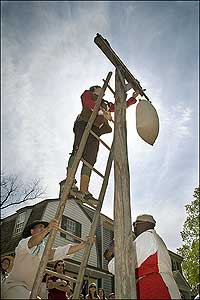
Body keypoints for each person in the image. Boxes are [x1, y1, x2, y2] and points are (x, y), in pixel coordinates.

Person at [66, 85, 139, 203]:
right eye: (100, 89)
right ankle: (69, 180)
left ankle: (84, 190)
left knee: (90, 160)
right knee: (78, 151)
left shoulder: (106, 103)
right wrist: (103, 112)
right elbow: (89, 103)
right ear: (94, 89)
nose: (103, 91)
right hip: (84, 124)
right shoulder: (88, 94)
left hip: (95, 131)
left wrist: (132, 98)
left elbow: (120, 107)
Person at [1, 219, 96, 299]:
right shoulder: (23, 243)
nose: (43, 228)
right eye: (40, 227)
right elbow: (31, 242)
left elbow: (61, 251)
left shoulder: (43, 249)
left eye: (44, 227)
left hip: (29, 289)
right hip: (13, 285)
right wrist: (48, 229)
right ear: (32, 231)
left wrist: (82, 245)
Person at [108, 214, 181, 299]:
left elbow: (120, 267)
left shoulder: (146, 236)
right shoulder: (156, 239)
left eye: (135, 224)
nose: (134, 228)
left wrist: (116, 251)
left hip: (155, 288)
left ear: (145, 223)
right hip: (163, 286)